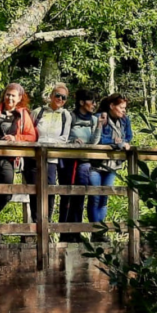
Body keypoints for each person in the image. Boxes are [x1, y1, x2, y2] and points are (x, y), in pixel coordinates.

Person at [0, 83, 38, 245]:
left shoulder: (23, 114)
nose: (10, 98)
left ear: (19, 98)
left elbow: (32, 136)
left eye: (13, 96)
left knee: (7, 193)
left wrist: (15, 139)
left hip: (9, 158)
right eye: (8, 94)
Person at [23, 84, 72, 240]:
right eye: (58, 95)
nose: (60, 99)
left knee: (49, 192)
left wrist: (46, 143)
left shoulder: (66, 115)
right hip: (33, 157)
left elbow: (64, 138)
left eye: (63, 97)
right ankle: (36, 226)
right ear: (51, 96)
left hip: (51, 159)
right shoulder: (39, 112)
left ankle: (47, 225)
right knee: (34, 191)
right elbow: (29, 133)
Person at [57, 88, 100, 243]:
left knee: (80, 196)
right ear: (82, 102)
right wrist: (72, 143)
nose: (94, 104)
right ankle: (64, 233)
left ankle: (76, 232)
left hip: (84, 162)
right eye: (91, 101)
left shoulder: (94, 120)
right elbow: (62, 136)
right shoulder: (71, 116)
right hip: (68, 162)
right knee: (67, 195)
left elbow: (94, 142)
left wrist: (100, 126)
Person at [89, 93, 132, 241]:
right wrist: (117, 143)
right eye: (121, 107)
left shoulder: (125, 120)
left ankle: (99, 232)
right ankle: (96, 231)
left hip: (113, 165)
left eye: (124, 108)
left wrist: (120, 142)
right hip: (96, 164)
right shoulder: (100, 118)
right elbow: (98, 139)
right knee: (95, 197)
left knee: (104, 198)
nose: (123, 111)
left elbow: (129, 137)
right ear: (112, 106)